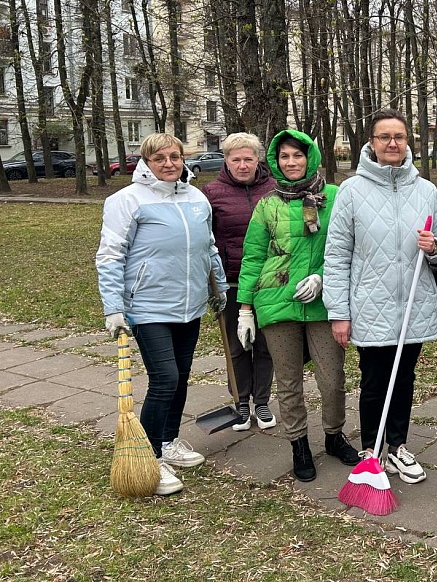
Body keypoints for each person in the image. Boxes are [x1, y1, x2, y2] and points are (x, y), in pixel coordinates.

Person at [96, 132, 227, 496]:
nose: (169, 164)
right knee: (165, 378)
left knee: (181, 376)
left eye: (175, 156)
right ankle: (150, 456)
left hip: (190, 305)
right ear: (146, 162)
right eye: (159, 158)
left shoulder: (196, 197)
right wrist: (114, 307)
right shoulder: (127, 200)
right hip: (148, 306)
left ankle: (169, 441)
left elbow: (209, 247)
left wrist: (219, 286)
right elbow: (110, 255)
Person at [324, 109, 437, 485]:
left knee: (404, 377)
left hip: (413, 303)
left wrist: (434, 248)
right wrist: (339, 312)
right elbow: (336, 255)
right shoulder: (352, 190)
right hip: (369, 304)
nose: (392, 143)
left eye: (399, 136)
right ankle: (371, 449)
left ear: (408, 140)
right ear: (372, 143)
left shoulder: (426, 190)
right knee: (375, 378)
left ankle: (398, 446)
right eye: (384, 137)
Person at [236, 129, 361, 483]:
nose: (292, 163)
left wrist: (322, 276)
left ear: (311, 158)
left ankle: (335, 436)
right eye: (285, 157)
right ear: (276, 162)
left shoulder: (335, 197)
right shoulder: (268, 204)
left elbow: (349, 246)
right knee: (288, 381)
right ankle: (299, 444)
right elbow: (253, 257)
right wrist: (245, 309)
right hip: (277, 303)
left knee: (332, 378)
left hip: (325, 303)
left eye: (298, 155)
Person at [202, 133, 276, 432]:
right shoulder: (212, 192)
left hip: (270, 282)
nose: (243, 165)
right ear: (226, 161)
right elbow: (206, 240)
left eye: (248, 159)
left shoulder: (274, 189)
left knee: (265, 345)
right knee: (237, 346)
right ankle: (241, 401)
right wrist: (212, 284)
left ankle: (261, 401)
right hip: (231, 282)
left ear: (258, 160)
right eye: (236, 159)